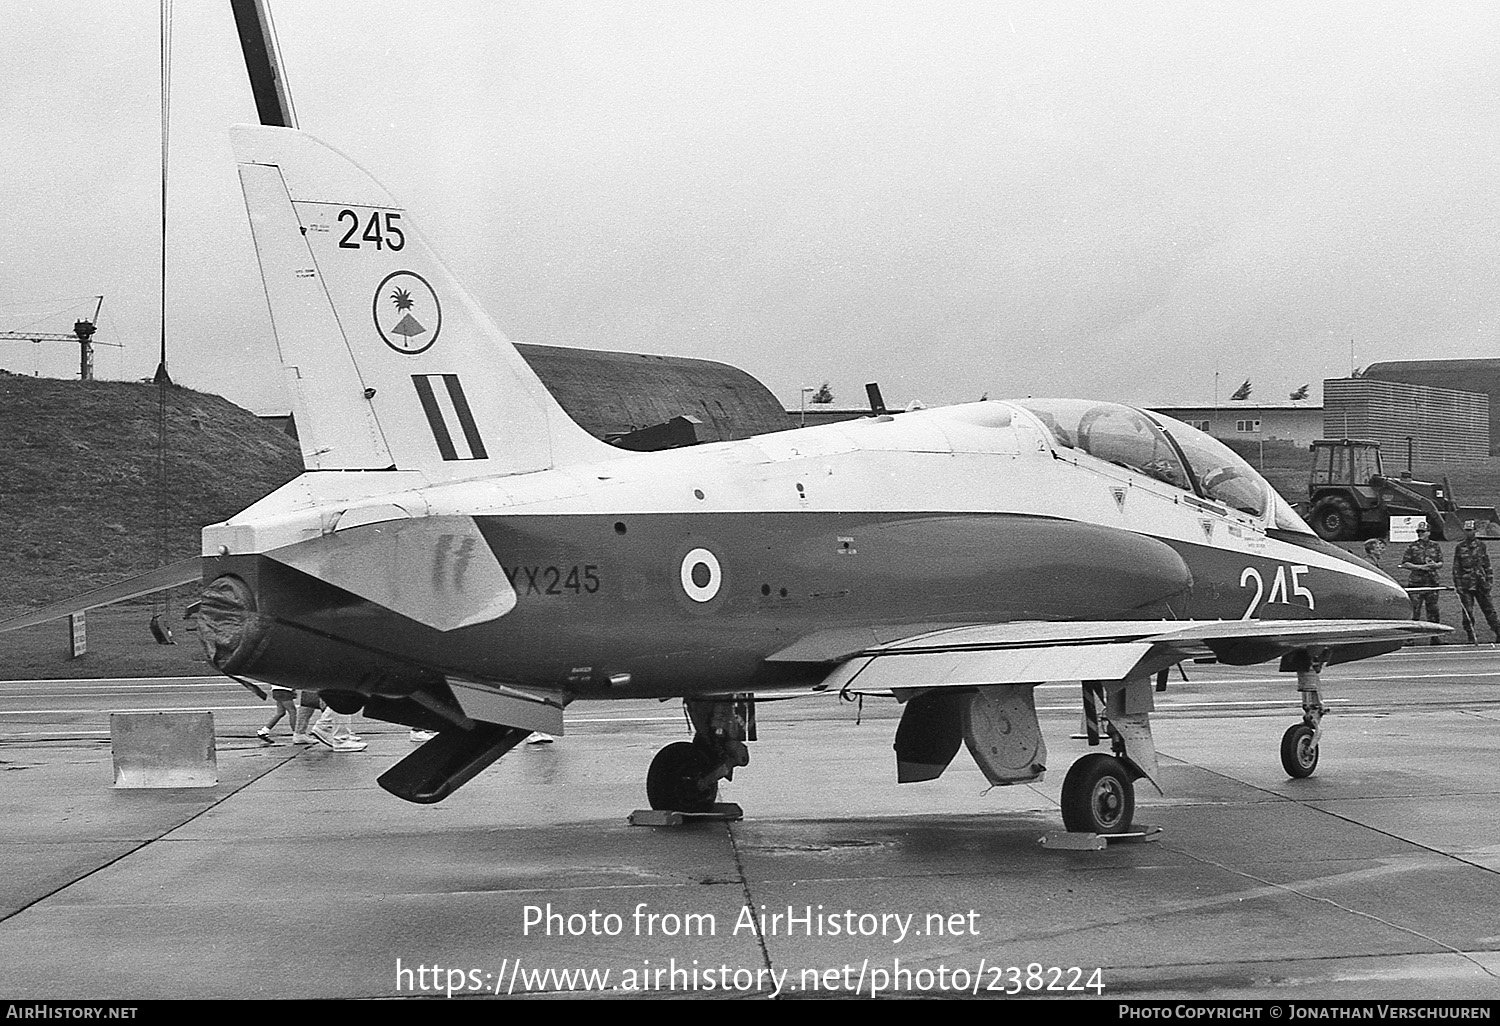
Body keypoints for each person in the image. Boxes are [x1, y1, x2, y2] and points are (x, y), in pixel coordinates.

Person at [1451, 520, 1500, 645]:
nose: (1468, 533)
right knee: (1468, 612)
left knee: (1489, 610)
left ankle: (1498, 632)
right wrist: (1458, 585)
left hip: (1481, 584)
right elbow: (1456, 568)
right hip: (1466, 585)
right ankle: (1471, 636)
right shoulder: (1460, 547)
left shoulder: (1481, 545)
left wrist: (1489, 581)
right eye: (1466, 530)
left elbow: (1487, 564)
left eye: (1470, 530)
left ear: (1475, 531)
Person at [1400, 522, 1444, 644]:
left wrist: (1435, 565)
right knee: (1415, 611)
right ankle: (1410, 638)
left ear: (1428, 533)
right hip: (1417, 583)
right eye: (1418, 532)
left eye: (1423, 532)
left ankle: (1435, 637)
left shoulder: (1435, 546)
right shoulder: (1412, 547)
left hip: (1432, 582)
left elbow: (1440, 562)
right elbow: (1405, 563)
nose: (1420, 534)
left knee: (1433, 611)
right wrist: (1420, 567)